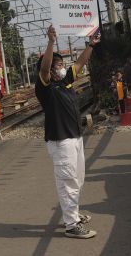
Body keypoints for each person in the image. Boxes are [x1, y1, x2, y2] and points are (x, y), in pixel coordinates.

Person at [35, 26, 99, 239]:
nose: (63, 68)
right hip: (61, 141)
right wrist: (51, 42)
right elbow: (44, 70)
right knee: (68, 182)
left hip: (75, 138)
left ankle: (74, 214)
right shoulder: (45, 86)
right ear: (50, 70)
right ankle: (71, 225)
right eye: (58, 65)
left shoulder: (66, 82)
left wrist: (91, 45)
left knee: (77, 179)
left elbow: (80, 63)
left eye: (62, 64)